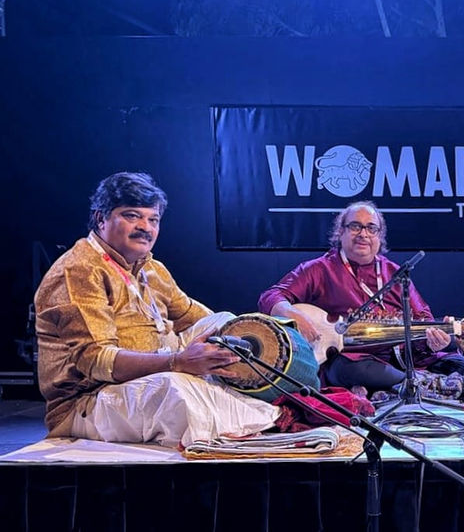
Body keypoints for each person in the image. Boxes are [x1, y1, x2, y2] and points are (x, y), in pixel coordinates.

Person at [35, 172, 281, 448]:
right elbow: (97, 361)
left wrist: (237, 340)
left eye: (153, 219)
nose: (145, 227)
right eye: (132, 216)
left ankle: (250, 411)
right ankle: (258, 417)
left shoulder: (151, 268)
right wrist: (177, 362)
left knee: (224, 324)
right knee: (174, 390)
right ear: (101, 218)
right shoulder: (80, 270)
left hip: (155, 373)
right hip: (89, 400)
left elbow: (196, 317)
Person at [258, 201, 464, 394]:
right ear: (341, 232)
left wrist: (433, 343)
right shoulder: (319, 269)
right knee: (353, 370)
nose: (363, 234)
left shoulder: (394, 273)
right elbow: (270, 296)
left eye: (371, 228)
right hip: (352, 359)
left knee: (458, 362)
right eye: (355, 226)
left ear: (379, 236)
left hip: (397, 357)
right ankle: (417, 384)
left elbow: (423, 319)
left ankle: (399, 386)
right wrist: (293, 314)